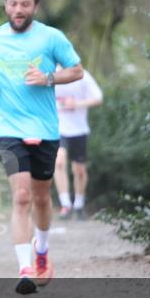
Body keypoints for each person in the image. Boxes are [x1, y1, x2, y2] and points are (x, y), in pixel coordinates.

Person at [0, 0, 83, 295]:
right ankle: (24, 268)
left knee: (41, 197)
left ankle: (42, 251)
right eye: (13, 4)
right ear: (6, 6)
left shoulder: (51, 38)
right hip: (10, 128)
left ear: (35, 6)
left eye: (25, 4)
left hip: (46, 129)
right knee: (22, 196)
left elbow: (76, 70)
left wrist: (49, 77)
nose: (18, 10)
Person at [54, 69, 103, 219]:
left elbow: (98, 98)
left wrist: (77, 103)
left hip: (78, 129)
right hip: (58, 127)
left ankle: (79, 204)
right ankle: (65, 205)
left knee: (79, 169)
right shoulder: (50, 74)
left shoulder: (82, 75)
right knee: (59, 161)